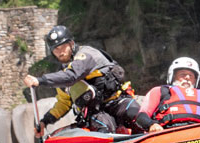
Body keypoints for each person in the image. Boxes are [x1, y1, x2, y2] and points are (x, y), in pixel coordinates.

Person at [25, 25, 161, 136]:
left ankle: (154, 128)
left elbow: (73, 76)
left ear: (71, 44)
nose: (60, 52)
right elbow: (63, 103)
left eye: (63, 47)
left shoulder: (86, 54)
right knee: (103, 127)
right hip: (97, 112)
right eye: (56, 49)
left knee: (134, 112)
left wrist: (40, 80)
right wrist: (44, 122)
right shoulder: (63, 76)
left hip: (117, 101)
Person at [142, 56, 200, 127]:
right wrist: (151, 125)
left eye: (191, 76)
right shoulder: (160, 91)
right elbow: (141, 116)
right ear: (173, 76)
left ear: (195, 80)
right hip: (170, 132)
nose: (187, 77)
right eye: (183, 74)